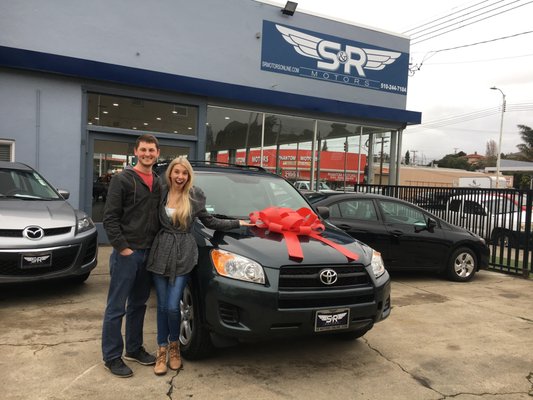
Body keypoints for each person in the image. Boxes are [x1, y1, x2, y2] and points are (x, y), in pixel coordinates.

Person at [146, 156, 252, 376]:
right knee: (164, 306)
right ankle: (161, 350)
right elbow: (146, 219)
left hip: (184, 252)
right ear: (171, 174)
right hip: (161, 251)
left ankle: (175, 348)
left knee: (174, 306)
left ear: (188, 176)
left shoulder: (194, 196)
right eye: (177, 172)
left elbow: (210, 221)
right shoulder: (161, 193)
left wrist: (238, 223)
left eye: (184, 173)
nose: (180, 177)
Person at [101, 134, 162, 378]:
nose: (148, 154)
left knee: (138, 304)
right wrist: (123, 248)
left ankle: (134, 349)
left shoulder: (158, 182)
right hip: (127, 254)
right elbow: (110, 217)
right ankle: (112, 356)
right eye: (144, 150)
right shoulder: (122, 179)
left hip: (149, 254)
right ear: (136, 152)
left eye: (152, 150)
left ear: (158, 153)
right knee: (116, 307)